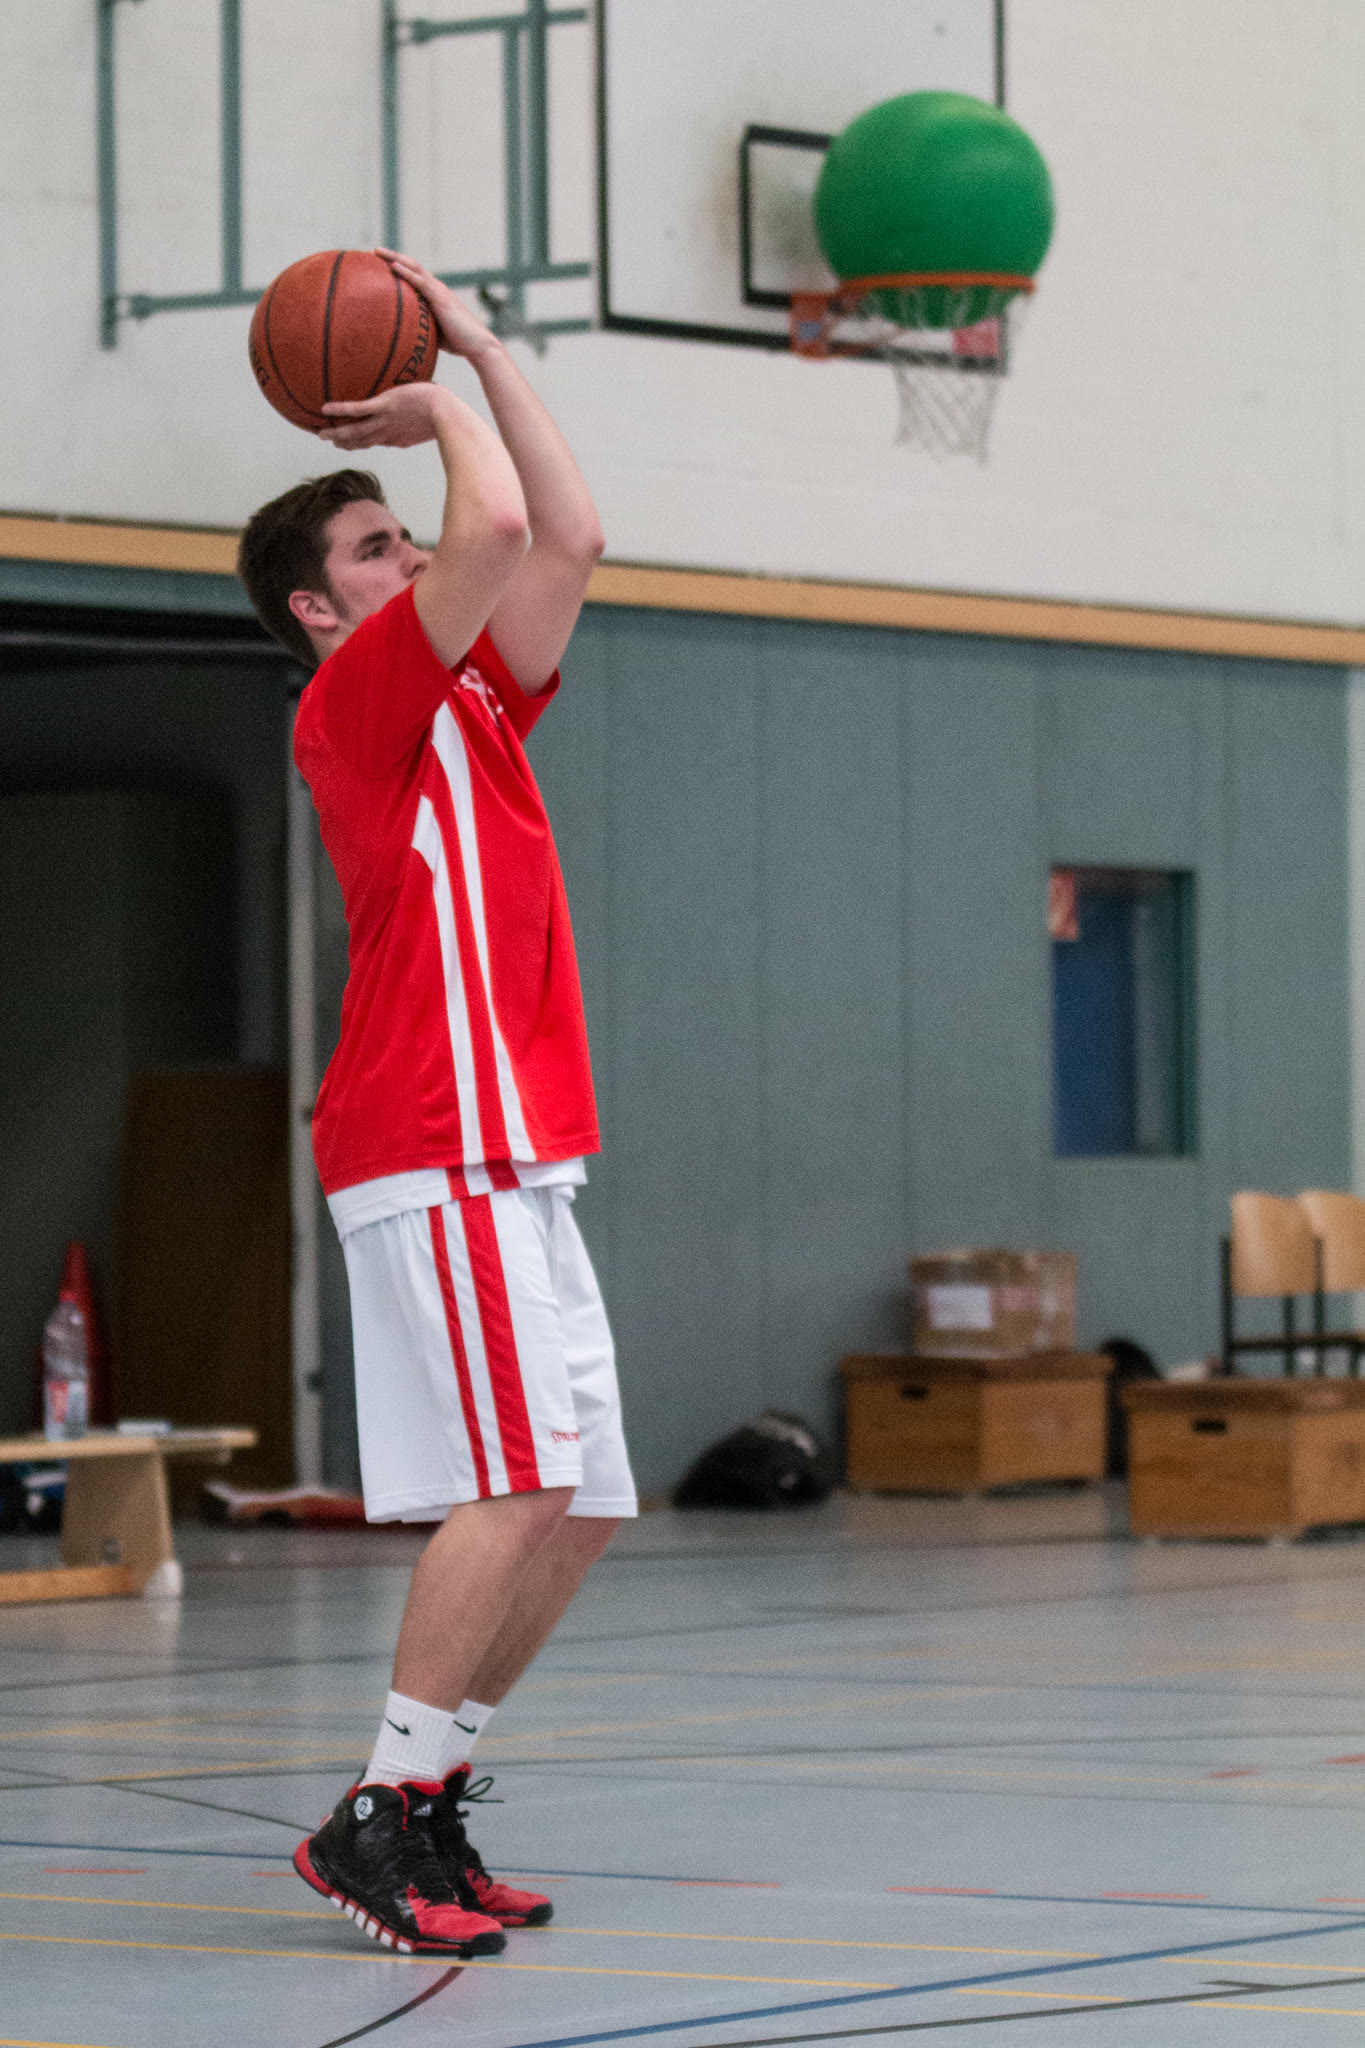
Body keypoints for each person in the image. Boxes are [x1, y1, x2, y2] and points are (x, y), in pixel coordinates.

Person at [237, 252, 637, 1959]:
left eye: (402, 534)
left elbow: (567, 536)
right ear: (322, 611)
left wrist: (474, 342)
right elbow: (493, 528)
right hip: (430, 1130)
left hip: (518, 1147)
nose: (406, 551)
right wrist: (438, 404)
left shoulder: (472, 692)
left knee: (583, 1501)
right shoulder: (356, 699)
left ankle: (430, 1792)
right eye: (370, 547)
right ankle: (373, 1817)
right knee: (517, 1480)